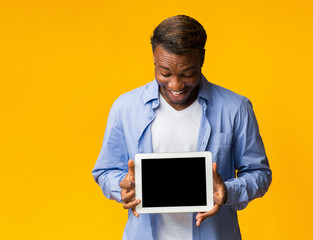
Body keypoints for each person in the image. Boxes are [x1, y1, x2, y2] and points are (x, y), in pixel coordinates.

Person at [92, 15, 272, 240]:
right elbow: (104, 171)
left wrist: (227, 192)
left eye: (187, 74)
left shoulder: (236, 108)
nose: (176, 85)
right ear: (154, 59)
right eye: (165, 73)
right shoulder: (125, 108)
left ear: (202, 59)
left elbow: (259, 173)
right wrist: (121, 187)